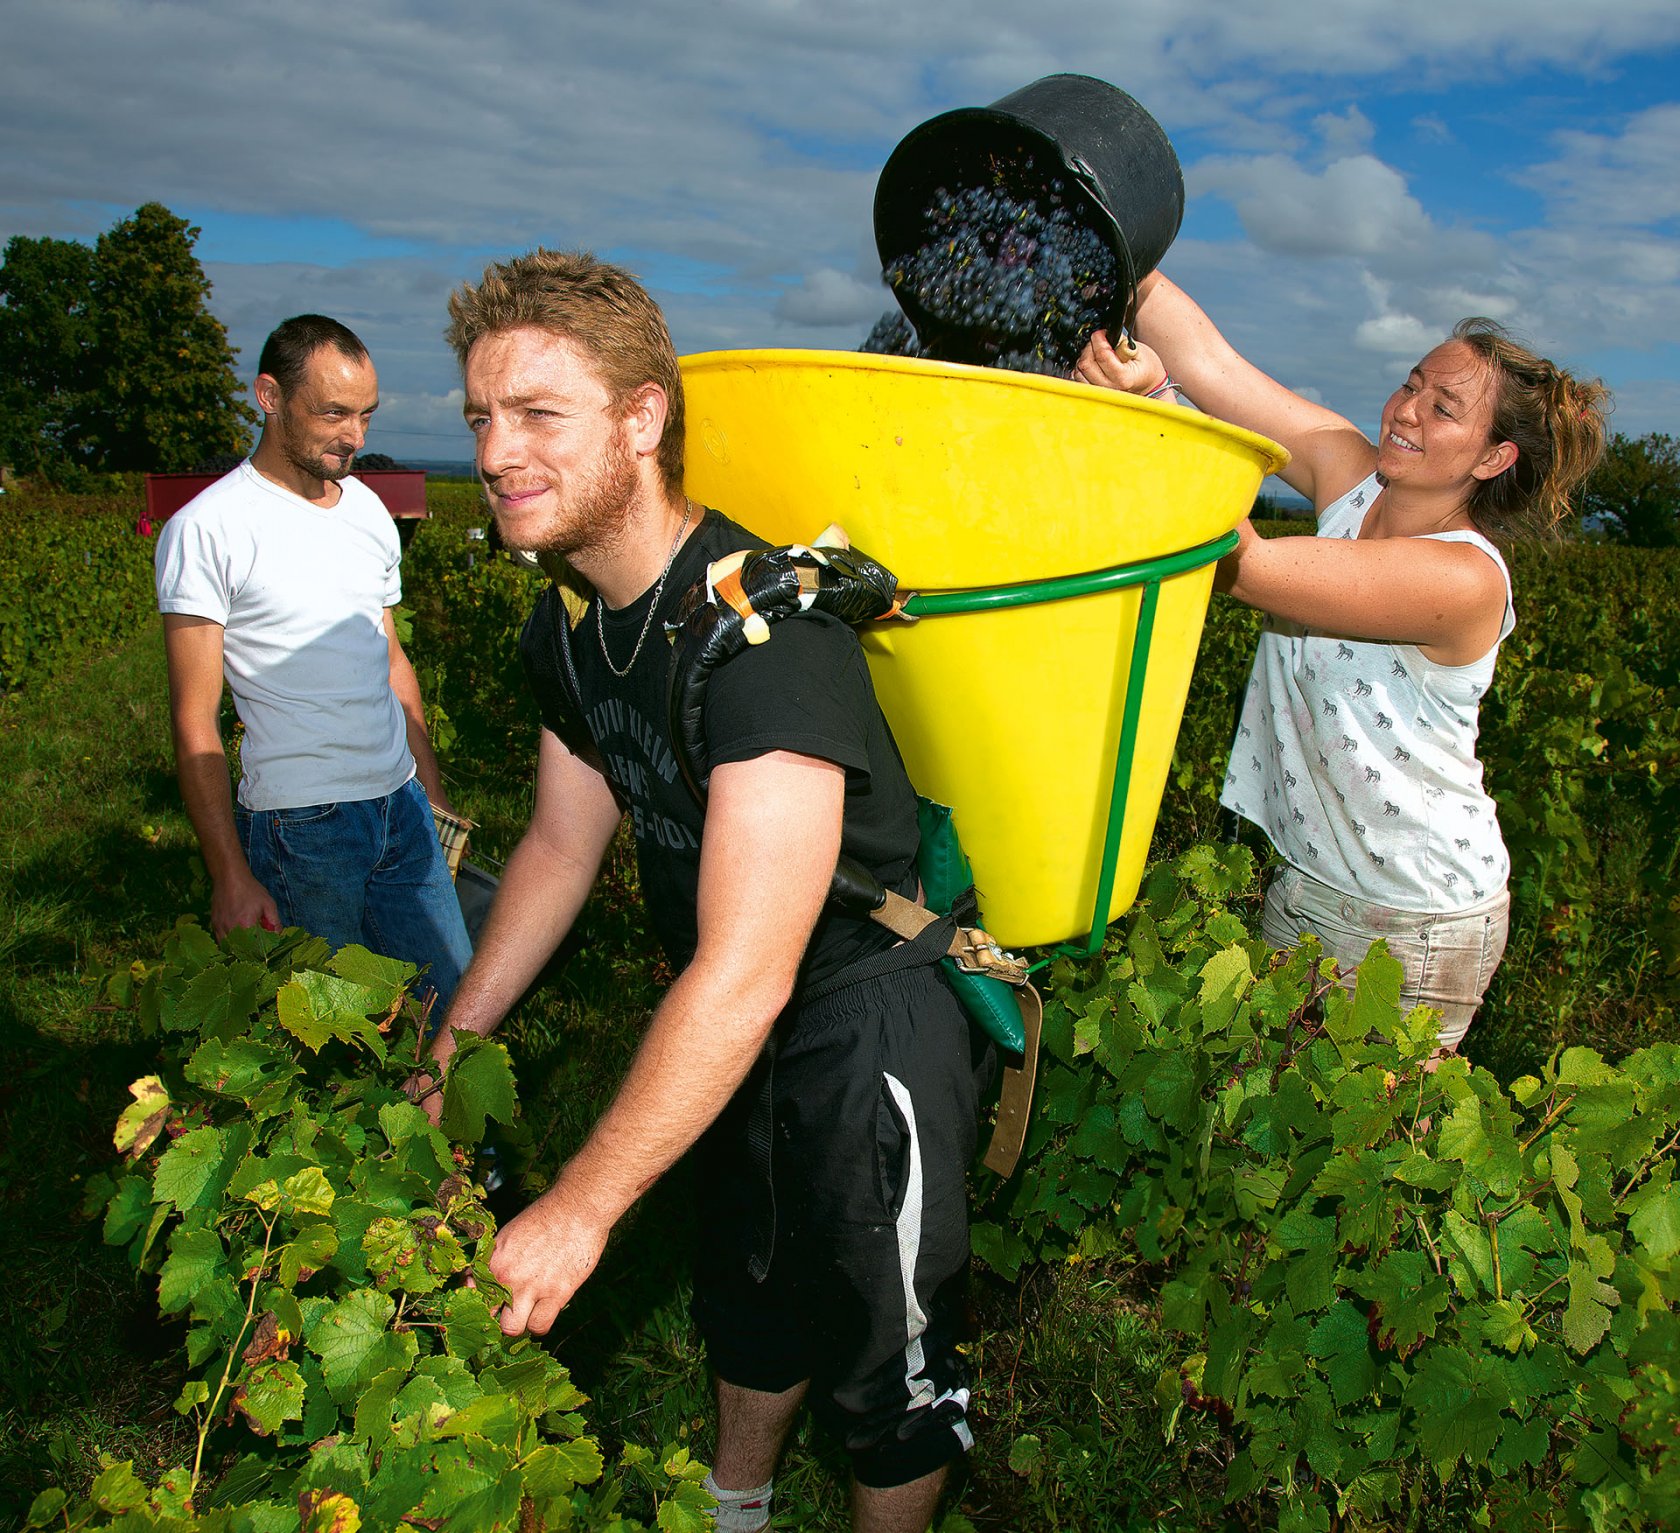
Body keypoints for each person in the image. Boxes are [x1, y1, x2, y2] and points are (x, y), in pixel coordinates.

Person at [414, 250, 983, 1533]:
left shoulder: (763, 646)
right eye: (479, 419)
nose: (498, 452)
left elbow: (751, 971)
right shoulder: (567, 618)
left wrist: (579, 1209)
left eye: (539, 414)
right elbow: (563, 846)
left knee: (890, 1366)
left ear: (642, 418)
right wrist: (459, 1040)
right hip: (725, 1015)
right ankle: (739, 1511)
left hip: (860, 1019)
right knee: (746, 1284)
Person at [1074, 275, 1609, 1054]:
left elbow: (1244, 566)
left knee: (1369, 1153)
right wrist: (1129, 261)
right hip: (1309, 876)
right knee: (1266, 1135)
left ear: (1494, 456)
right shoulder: (1352, 482)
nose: (1406, 410)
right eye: (1410, 384)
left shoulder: (1464, 578)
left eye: (1443, 407)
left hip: (1413, 918)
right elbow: (1208, 363)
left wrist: (1154, 403)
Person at [154, 314, 473, 1014]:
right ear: (268, 395)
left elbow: (392, 661)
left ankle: (456, 1129)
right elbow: (194, 720)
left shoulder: (366, 511)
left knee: (454, 1011)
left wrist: (432, 794)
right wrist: (229, 873)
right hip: (304, 825)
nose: (355, 437)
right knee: (340, 1034)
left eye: (365, 415)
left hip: (403, 809)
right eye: (334, 413)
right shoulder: (207, 530)